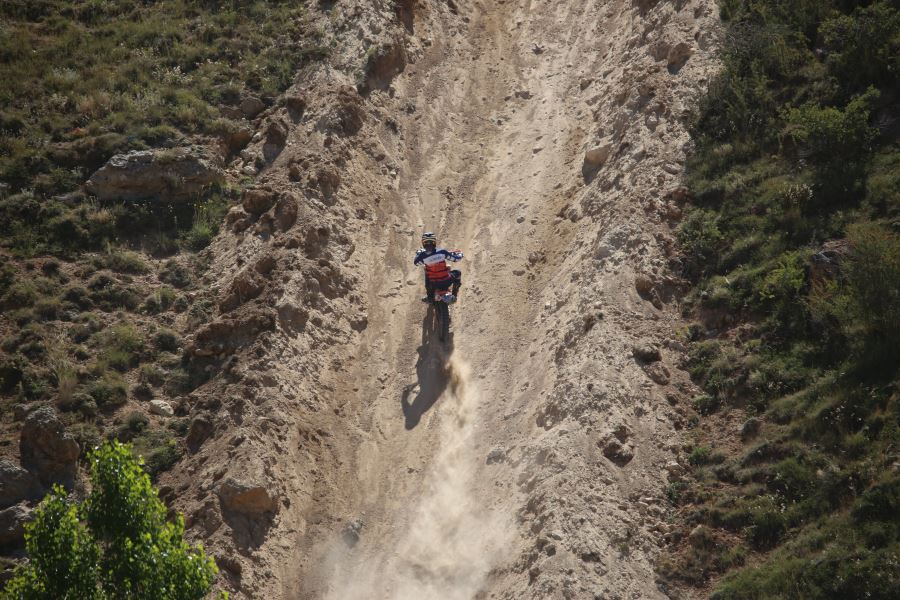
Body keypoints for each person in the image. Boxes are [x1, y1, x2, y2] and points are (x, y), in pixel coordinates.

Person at [414, 232, 463, 303]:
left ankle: (430, 297)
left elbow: (416, 263)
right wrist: (460, 254)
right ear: (434, 242)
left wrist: (419, 254)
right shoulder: (442, 252)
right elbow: (456, 259)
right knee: (458, 272)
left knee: (427, 272)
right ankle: (454, 294)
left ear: (423, 243)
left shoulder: (422, 256)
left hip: (433, 283)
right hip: (447, 281)